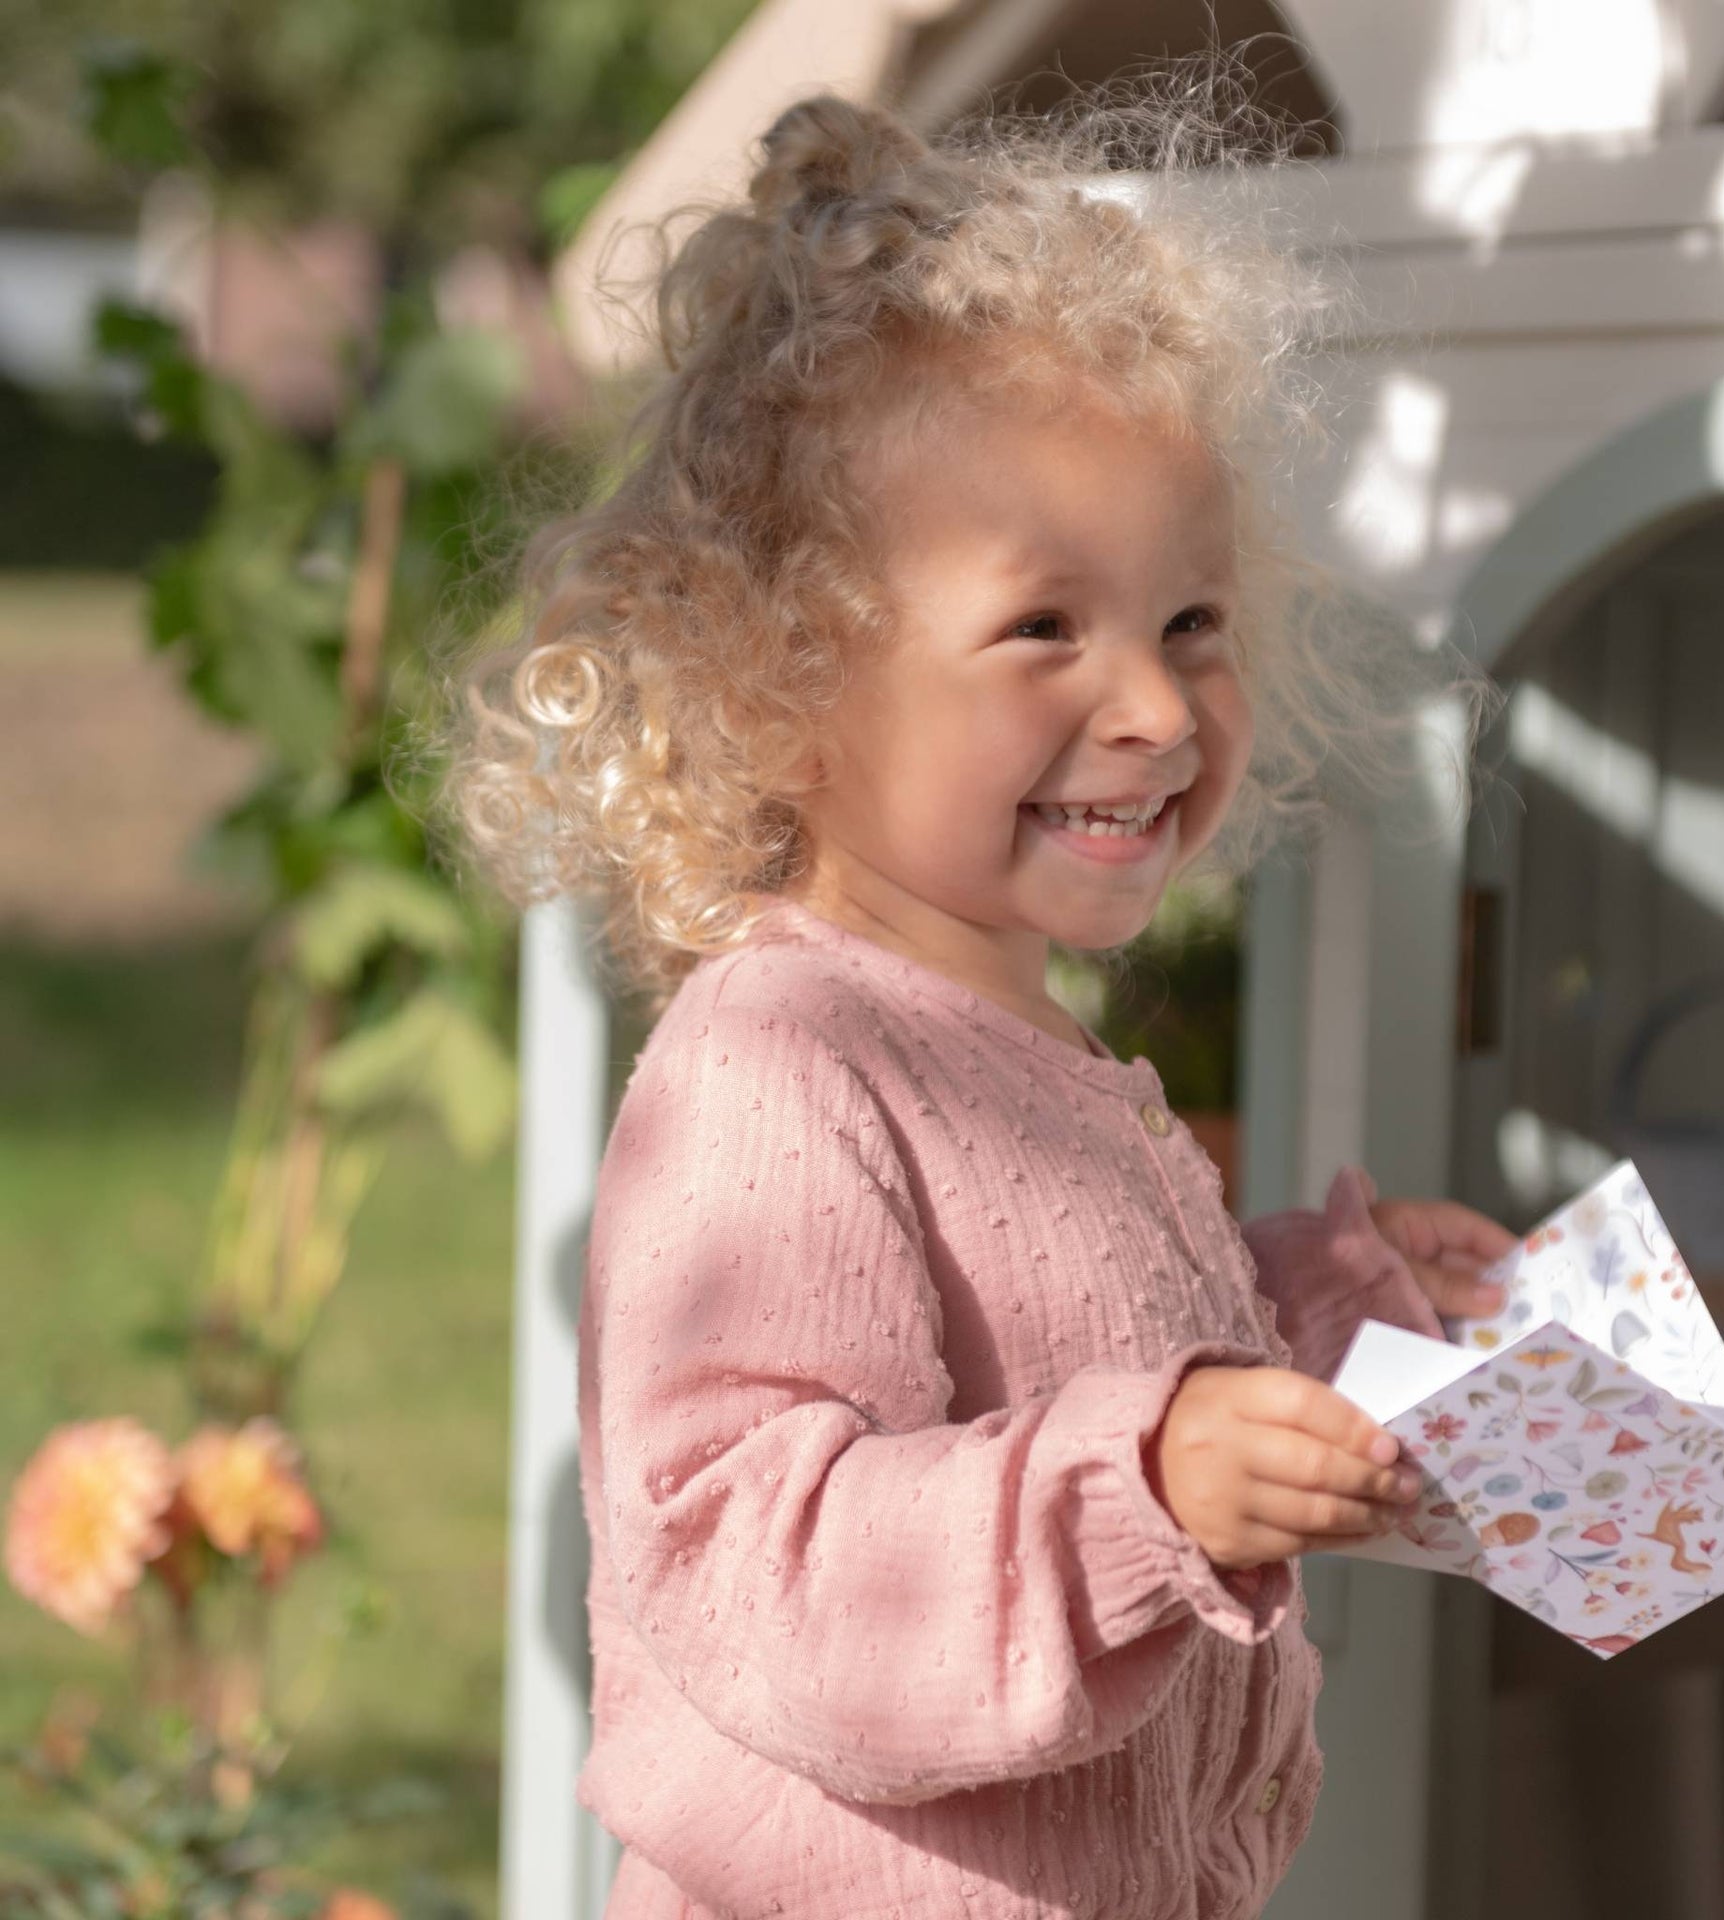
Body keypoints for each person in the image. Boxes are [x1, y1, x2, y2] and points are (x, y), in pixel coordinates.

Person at [438, 58, 1516, 1920]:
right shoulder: (779, 1061)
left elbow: (1055, 1354)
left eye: (1191, 621)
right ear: (779, 678)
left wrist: (1333, 1322)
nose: (1157, 707)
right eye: (1043, 628)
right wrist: (1144, 1488)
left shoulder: (1013, 1040)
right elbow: (756, 1562)